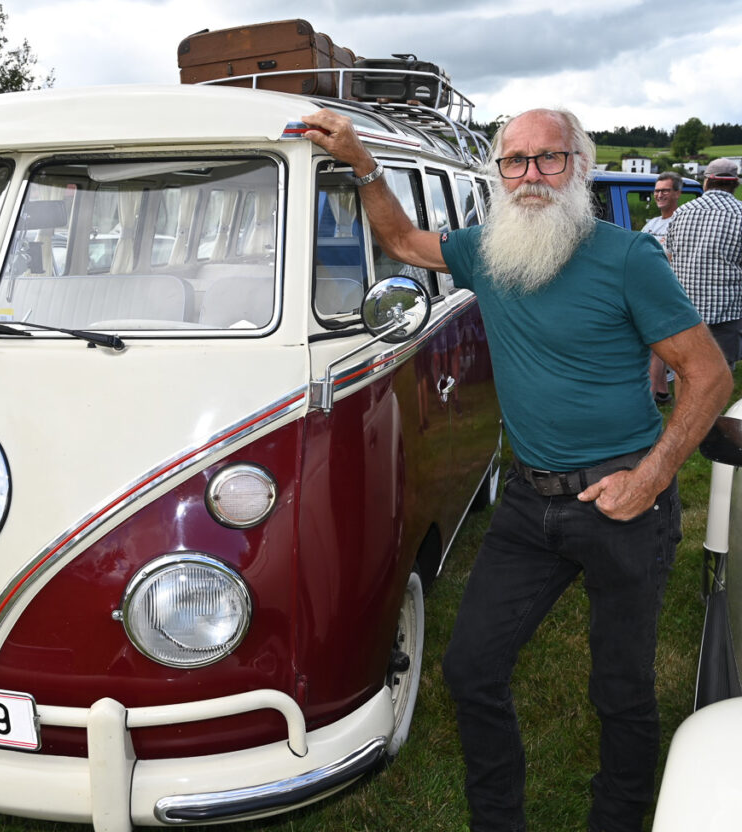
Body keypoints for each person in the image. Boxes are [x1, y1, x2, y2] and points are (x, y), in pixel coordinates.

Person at [302, 106, 732, 832]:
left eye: (548, 158)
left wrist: (653, 478)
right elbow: (402, 240)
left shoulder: (629, 257)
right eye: (514, 160)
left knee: (621, 688)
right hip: (531, 504)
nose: (530, 175)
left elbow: (710, 374)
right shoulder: (486, 252)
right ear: (498, 172)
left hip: (624, 500)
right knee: (471, 668)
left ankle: (618, 819)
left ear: (579, 167)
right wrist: (363, 164)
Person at [666, 157, 742, 369]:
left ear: (706, 181)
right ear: (735, 183)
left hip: (684, 312)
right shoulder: (740, 214)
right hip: (726, 314)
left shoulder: (681, 213)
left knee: (685, 370)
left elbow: (669, 259)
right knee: (719, 374)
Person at [641, 172, 684, 404]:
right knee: (656, 345)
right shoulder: (652, 224)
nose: (659, 194)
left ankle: (650, 397)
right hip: (649, 289)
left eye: (665, 190)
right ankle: (662, 392)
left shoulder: (681, 222)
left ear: (677, 193)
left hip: (669, 291)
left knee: (658, 345)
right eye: (657, 190)